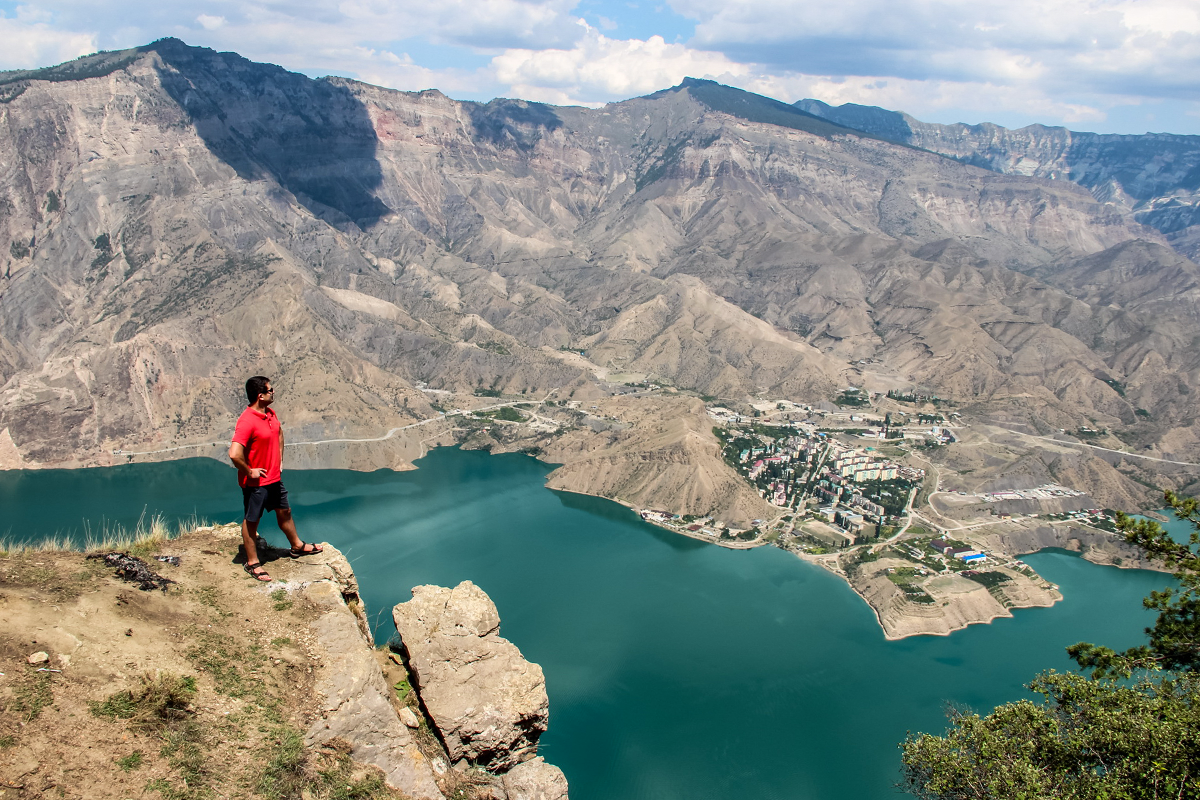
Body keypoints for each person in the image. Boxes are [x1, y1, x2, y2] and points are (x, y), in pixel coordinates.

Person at [229, 375, 322, 581]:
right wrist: (249, 471)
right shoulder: (247, 420)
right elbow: (235, 453)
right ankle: (253, 563)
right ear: (260, 395)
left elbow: (279, 432)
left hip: (273, 479)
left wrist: (279, 459)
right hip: (256, 483)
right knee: (252, 521)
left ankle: (297, 545)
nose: (273, 392)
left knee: (285, 511)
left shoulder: (270, 414)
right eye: (270, 390)